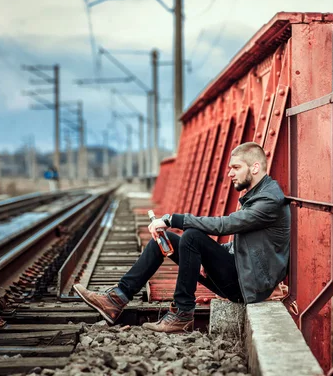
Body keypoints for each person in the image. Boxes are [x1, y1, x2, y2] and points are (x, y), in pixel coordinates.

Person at [74, 142, 291, 333]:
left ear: (254, 167)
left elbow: (225, 225)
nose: (230, 174)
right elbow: (244, 246)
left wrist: (172, 218)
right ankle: (117, 298)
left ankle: (182, 314)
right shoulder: (257, 196)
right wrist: (208, 258)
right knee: (164, 239)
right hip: (242, 274)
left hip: (249, 286)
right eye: (230, 168)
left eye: (236, 168)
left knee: (192, 236)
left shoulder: (268, 202)